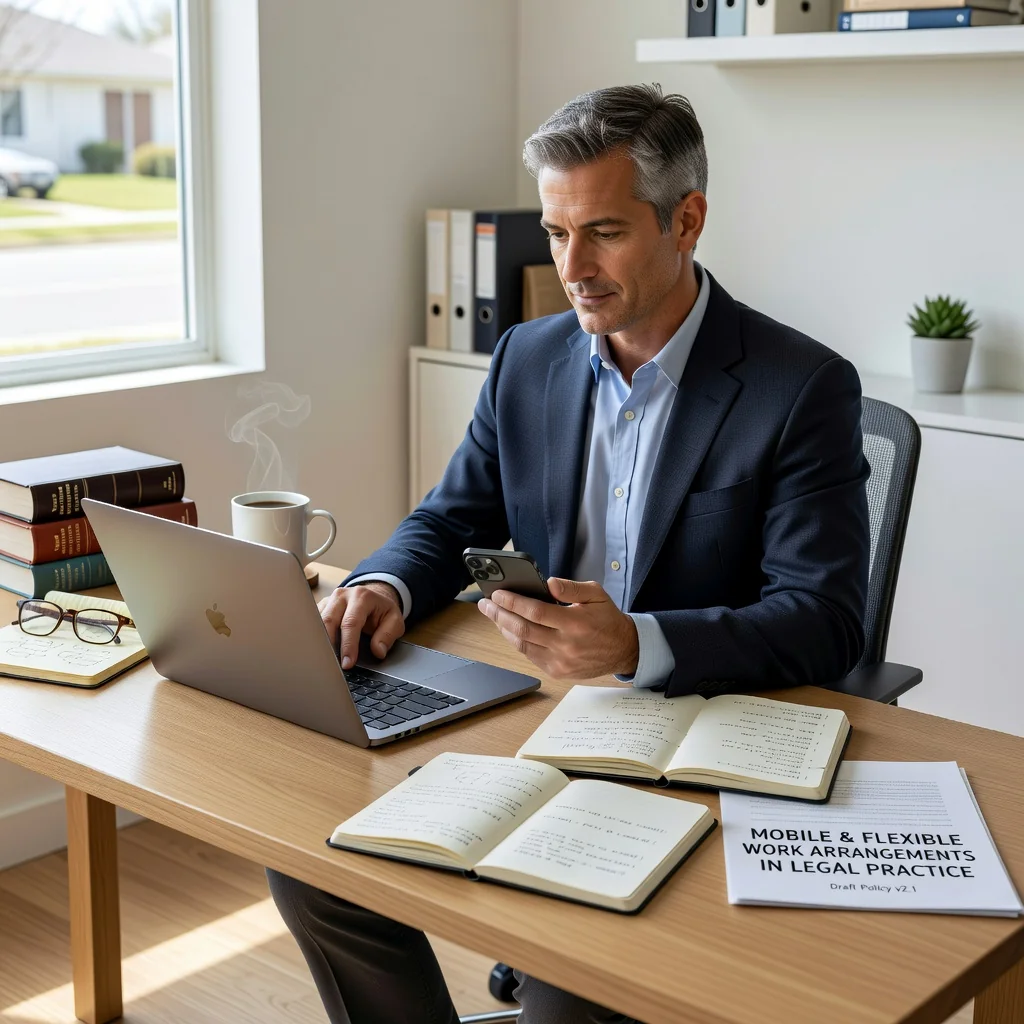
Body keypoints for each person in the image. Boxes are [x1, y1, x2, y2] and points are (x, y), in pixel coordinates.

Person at [267, 83, 870, 1024]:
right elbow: (451, 520)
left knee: (570, 990)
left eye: (604, 233)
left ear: (687, 220)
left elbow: (825, 619)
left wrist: (637, 645)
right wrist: (385, 582)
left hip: (695, 744)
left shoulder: (800, 387)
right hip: (538, 721)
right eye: (556, 233)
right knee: (314, 862)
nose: (572, 267)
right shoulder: (527, 357)